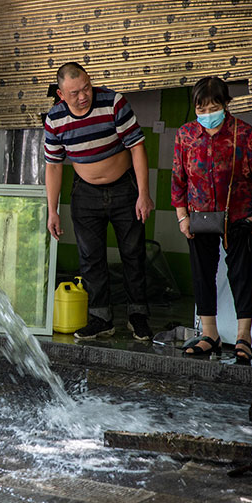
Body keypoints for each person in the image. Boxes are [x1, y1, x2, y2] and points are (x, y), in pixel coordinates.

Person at [44, 62, 155, 341]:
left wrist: (144, 193)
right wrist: (52, 210)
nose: (83, 96)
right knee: (90, 258)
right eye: (74, 93)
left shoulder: (114, 102)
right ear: (60, 94)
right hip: (85, 192)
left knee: (133, 253)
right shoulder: (54, 119)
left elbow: (137, 147)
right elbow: (54, 166)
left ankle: (138, 315)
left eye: (86, 88)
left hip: (124, 188)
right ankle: (101, 318)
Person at [172, 77, 252, 364]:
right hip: (200, 217)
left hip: (240, 215)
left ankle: (244, 337)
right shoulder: (185, 135)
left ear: (226, 104)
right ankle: (210, 335)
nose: (207, 114)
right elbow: (178, 180)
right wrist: (182, 217)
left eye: (213, 107)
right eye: (201, 108)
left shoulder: (243, 134)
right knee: (202, 273)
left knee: (241, 273)